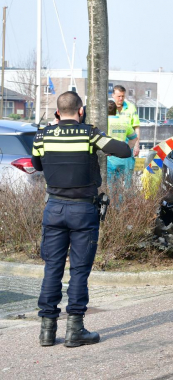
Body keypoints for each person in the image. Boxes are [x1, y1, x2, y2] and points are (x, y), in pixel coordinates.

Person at [32, 92, 131, 347]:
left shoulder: (41, 136)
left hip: (53, 209)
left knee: (52, 268)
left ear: (57, 112)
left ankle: (47, 330)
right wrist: (96, 135)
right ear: (80, 111)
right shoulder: (89, 134)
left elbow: (38, 165)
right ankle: (75, 330)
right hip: (83, 212)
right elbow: (124, 150)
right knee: (78, 271)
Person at [106, 100, 137, 184]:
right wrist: (127, 149)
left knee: (110, 186)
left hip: (110, 159)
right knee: (119, 186)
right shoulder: (124, 122)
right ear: (116, 110)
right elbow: (134, 138)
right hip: (122, 159)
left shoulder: (104, 123)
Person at [112, 85, 141, 156]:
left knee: (127, 166)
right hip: (112, 147)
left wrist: (137, 145)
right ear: (113, 95)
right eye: (119, 96)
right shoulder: (108, 107)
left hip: (128, 145)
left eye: (123, 96)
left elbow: (136, 127)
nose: (121, 98)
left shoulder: (131, 107)